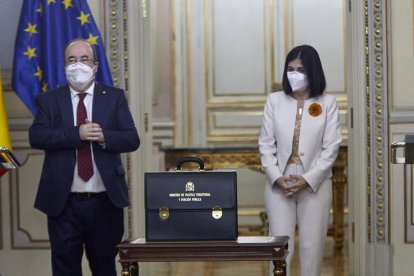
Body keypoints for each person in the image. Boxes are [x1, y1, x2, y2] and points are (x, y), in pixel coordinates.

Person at [29, 38, 140, 276]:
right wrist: (76, 134)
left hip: (104, 203)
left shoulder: (113, 97)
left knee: (104, 268)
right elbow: (37, 136)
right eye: (72, 60)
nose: (78, 65)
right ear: (64, 66)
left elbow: (132, 139)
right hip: (64, 203)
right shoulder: (49, 100)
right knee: (65, 269)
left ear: (95, 66)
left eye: (84, 59)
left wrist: (103, 137)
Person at [259, 45, 342, 276]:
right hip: (280, 183)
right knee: (279, 249)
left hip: (315, 183)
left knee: (311, 248)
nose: (294, 74)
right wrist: (277, 178)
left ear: (313, 72)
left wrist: (306, 180)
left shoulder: (328, 103)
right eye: (290, 69)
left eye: (301, 69)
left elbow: (331, 148)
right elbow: (266, 144)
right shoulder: (275, 101)